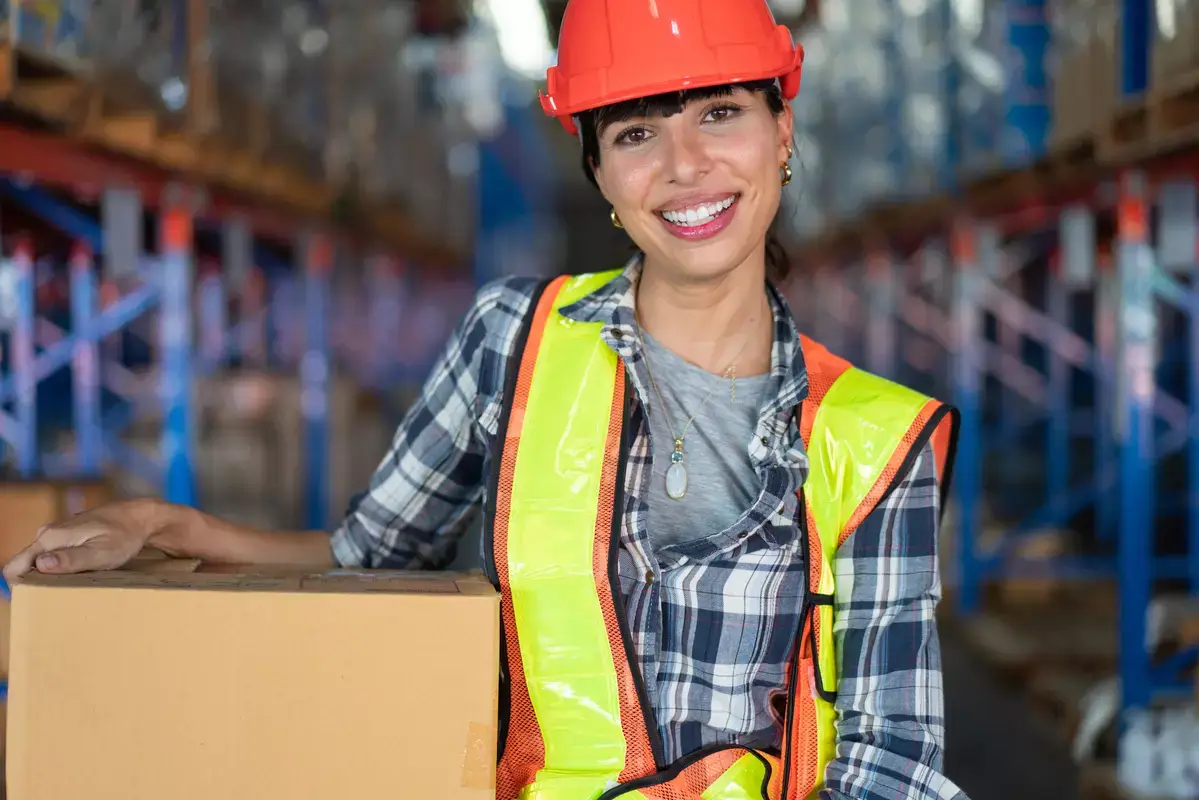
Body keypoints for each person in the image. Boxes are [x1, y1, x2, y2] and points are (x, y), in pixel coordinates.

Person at [4, 0, 969, 797]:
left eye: (719, 112)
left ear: (781, 131)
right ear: (597, 171)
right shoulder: (513, 338)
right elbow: (368, 558)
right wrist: (168, 524)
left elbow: (892, 761)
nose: (684, 165)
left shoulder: (873, 440)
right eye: (636, 131)